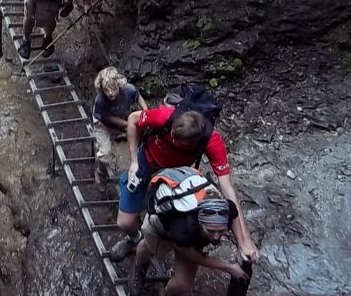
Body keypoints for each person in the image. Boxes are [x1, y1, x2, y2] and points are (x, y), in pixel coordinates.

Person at [107, 104, 259, 263]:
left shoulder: (211, 141)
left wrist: (244, 242)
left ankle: (154, 241)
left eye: (177, 141)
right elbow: (133, 119)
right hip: (146, 163)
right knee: (124, 223)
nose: (171, 139)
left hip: (175, 178)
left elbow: (228, 189)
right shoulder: (165, 116)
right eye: (172, 135)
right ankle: (134, 237)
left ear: (193, 143)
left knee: (169, 219)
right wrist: (134, 160)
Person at [128, 176, 249, 296]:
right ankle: (139, 266)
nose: (216, 237)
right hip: (161, 221)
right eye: (211, 231)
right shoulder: (184, 228)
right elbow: (191, 254)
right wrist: (228, 267)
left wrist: (242, 243)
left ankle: (167, 294)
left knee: (183, 284)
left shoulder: (226, 209)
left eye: (221, 231)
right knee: (150, 247)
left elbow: (235, 214)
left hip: (190, 233)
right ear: (200, 223)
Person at [92, 67, 148, 192]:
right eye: (106, 90)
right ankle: (100, 173)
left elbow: (137, 96)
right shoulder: (100, 100)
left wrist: (146, 112)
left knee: (141, 136)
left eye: (113, 88)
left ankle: (139, 168)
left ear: (119, 85)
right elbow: (107, 118)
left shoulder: (128, 89)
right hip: (103, 122)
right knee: (105, 154)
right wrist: (128, 123)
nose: (110, 93)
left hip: (122, 117)